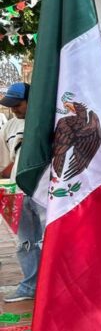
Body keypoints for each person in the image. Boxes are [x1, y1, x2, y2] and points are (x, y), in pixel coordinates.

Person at [1, 83, 46, 303]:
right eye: (10, 105)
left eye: (18, 104)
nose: (14, 110)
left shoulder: (49, 122)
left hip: (46, 192)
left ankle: (56, 286)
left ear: (32, 100)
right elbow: (5, 163)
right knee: (25, 242)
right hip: (17, 192)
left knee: (51, 240)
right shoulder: (9, 127)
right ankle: (30, 286)